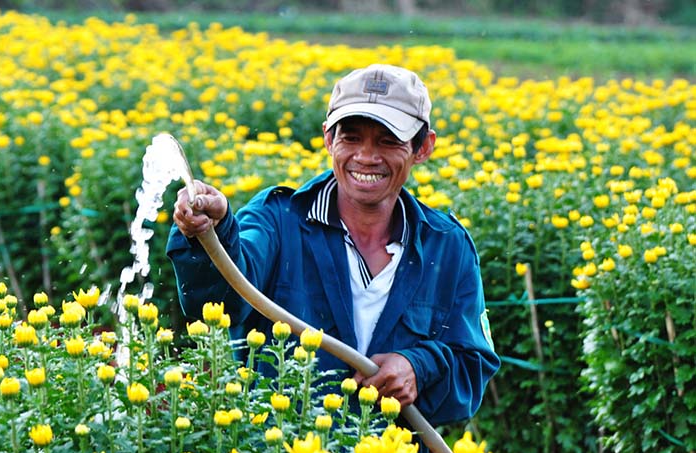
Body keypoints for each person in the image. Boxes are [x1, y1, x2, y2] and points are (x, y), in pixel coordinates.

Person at [167, 64, 500, 427]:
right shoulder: (278, 219)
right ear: (328, 139)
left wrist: (418, 367)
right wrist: (211, 231)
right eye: (351, 138)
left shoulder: (446, 246)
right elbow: (218, 295)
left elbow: (472, 366)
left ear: (423, 148)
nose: (367, 157)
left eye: (388, 140)